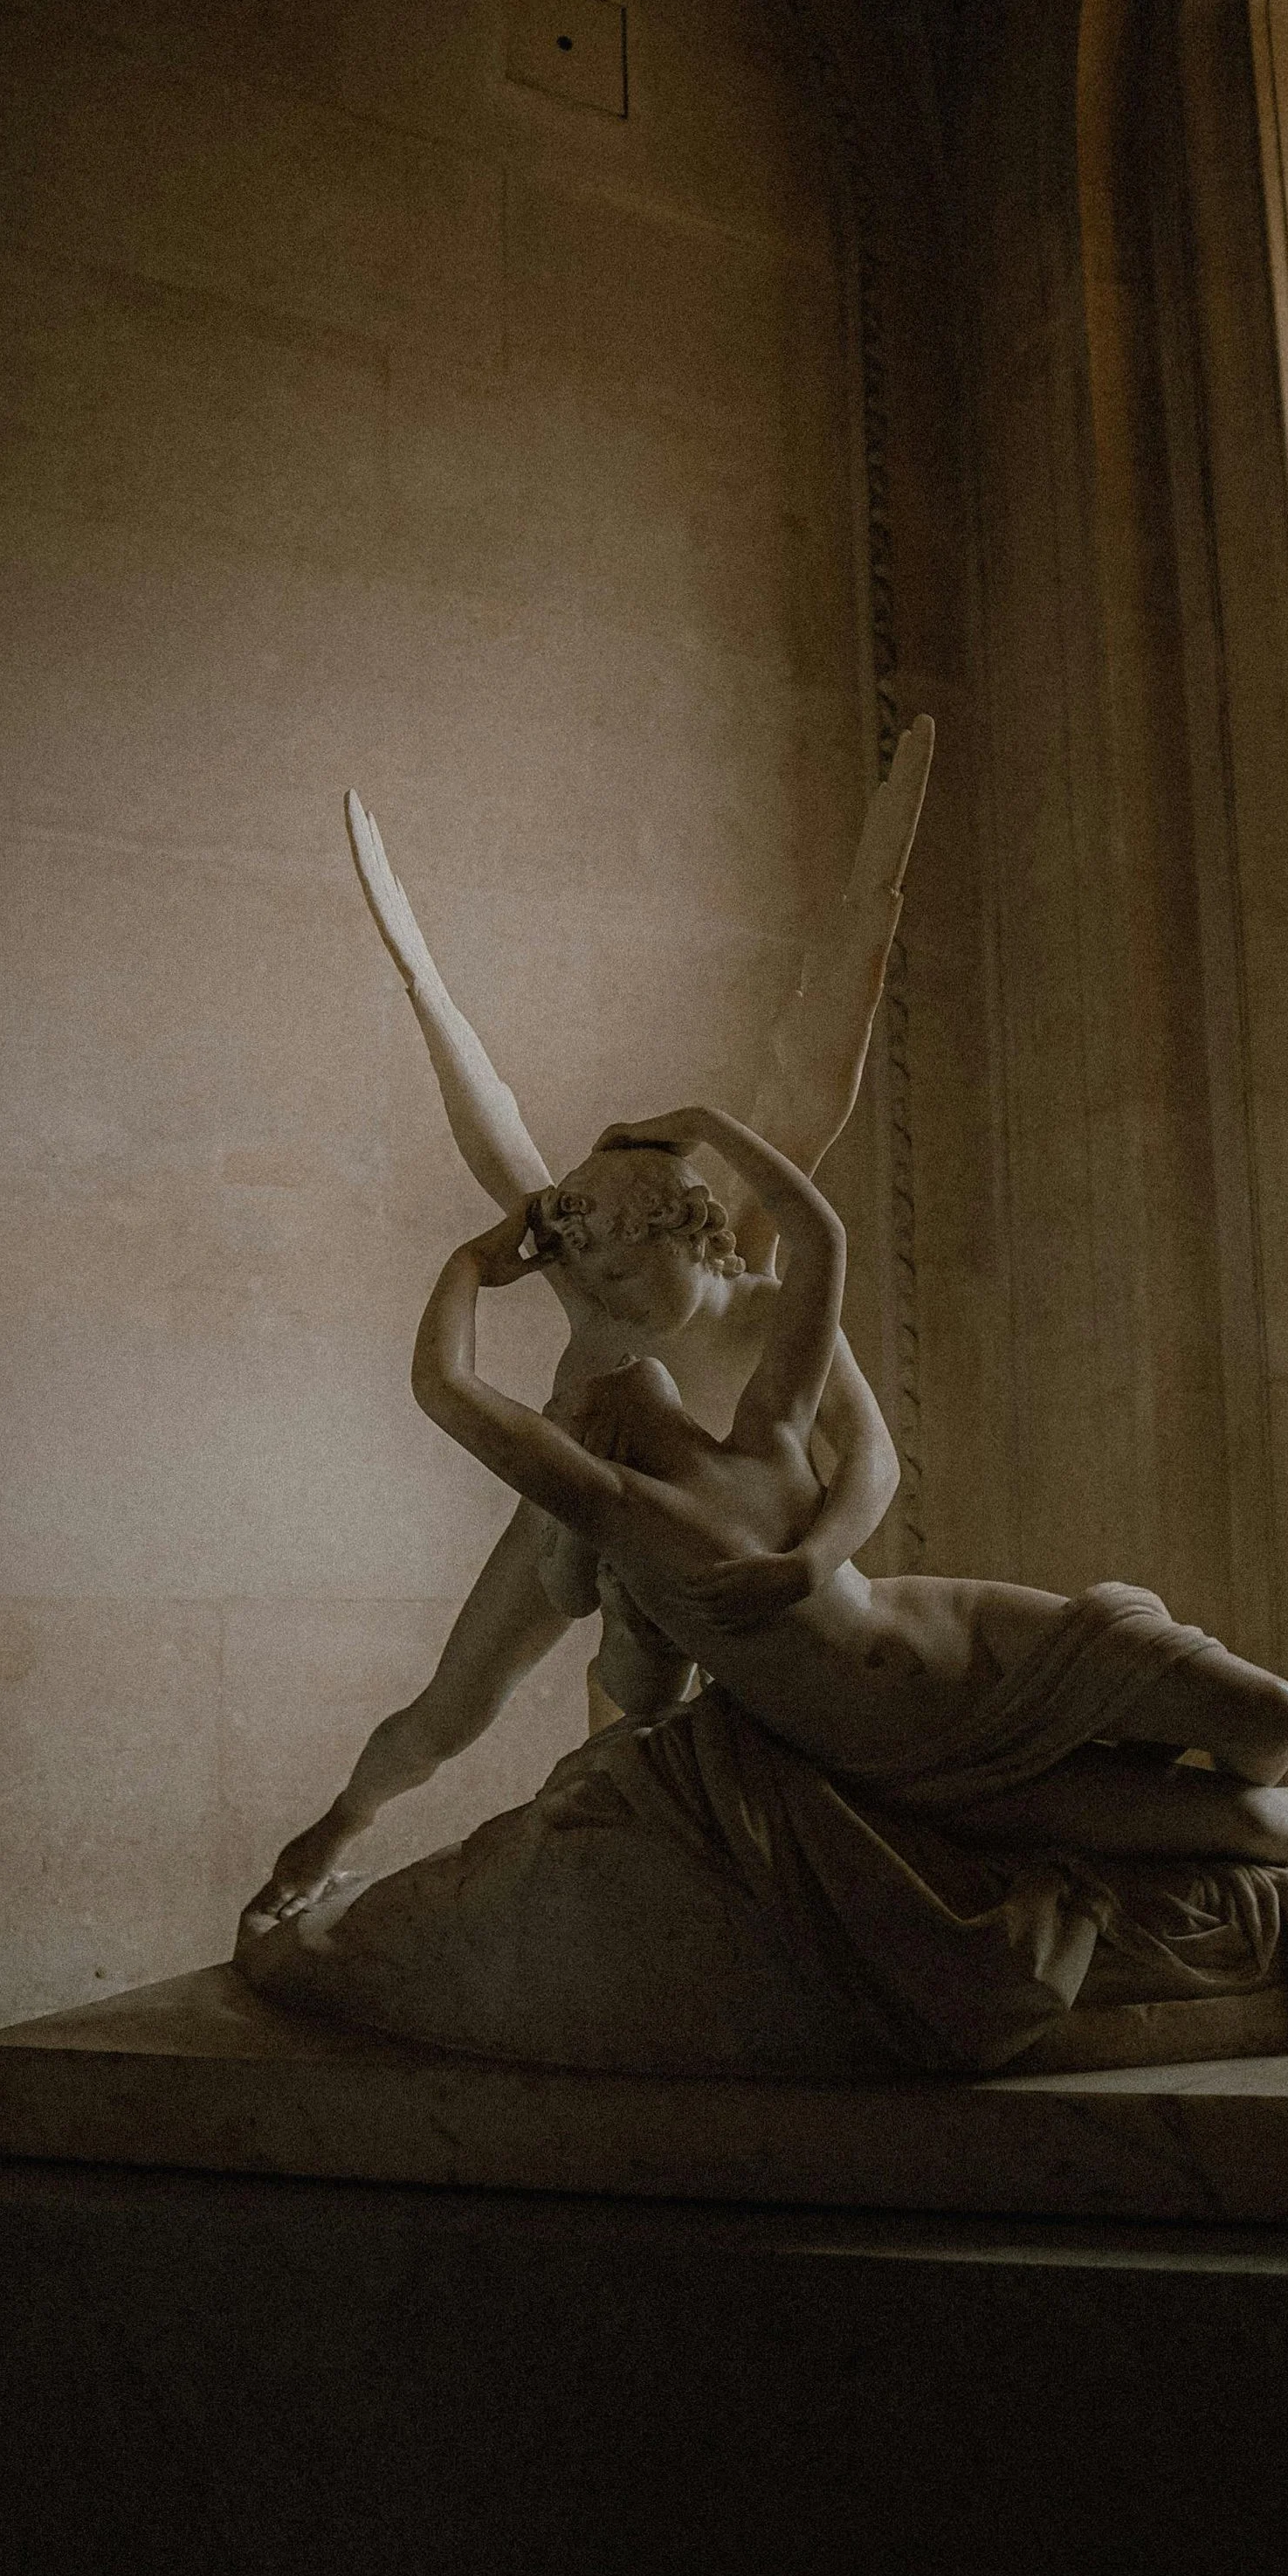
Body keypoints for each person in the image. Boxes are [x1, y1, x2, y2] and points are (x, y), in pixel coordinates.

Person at [399, 1102, 1288, 1889]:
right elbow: (444, 1386)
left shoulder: (764, 1426)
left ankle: (1152, 1767)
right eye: (603, 1384)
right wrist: (475, 1259)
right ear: (590, 1433)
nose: (630, 1359)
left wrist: (699, 1122)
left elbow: (821, 1236)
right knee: (1232, 1822)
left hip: (978, 1636)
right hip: (908, 1754)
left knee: (1271, 1720)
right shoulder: (621, 1512)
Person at [253, 725, 935, 1916]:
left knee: (664, 1737)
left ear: (691, 1229)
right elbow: (484, 1119)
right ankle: (334, 1828)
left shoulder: (770, 1302)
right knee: (447, 1713)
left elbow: (874, 1453)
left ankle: (657, 1894)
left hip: (732, 1551)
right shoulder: (593, 1263)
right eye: (590, 1267)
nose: (599, 1292)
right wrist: (423, 982)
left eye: (621, 1267)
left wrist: (813, 1556)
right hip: (576, 1521)